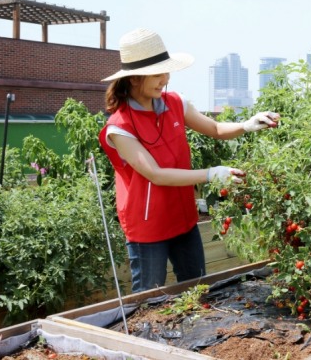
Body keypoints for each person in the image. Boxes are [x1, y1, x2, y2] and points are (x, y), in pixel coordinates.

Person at [99, 28, 279, 292]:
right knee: (149, 298)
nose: (166, 79)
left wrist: (247, 124)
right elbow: (156, 174)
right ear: (135, 78)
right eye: (158, 74)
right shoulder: (120, 127)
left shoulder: (174, 103)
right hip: (147, 227)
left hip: (183, 218)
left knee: (197, 290)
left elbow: (215, 130)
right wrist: (210, 174)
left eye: (166, 72)